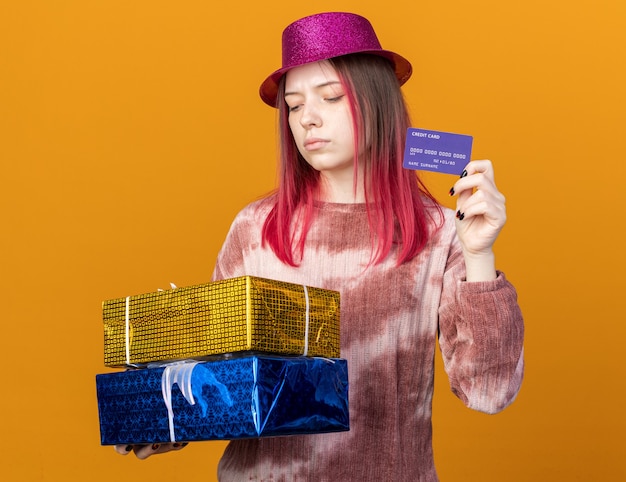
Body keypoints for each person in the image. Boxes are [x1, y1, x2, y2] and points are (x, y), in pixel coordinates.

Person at [118, 11, 524, 481]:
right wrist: (160, 416)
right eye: (292, 105)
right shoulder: (256, 228)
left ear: (377, 102)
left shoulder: (438, 231)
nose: (307, 118)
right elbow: (221, 380)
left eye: (331, 97)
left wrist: (478, 256)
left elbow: (489, 391)